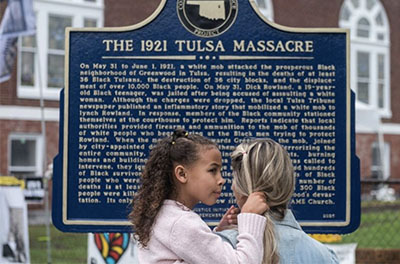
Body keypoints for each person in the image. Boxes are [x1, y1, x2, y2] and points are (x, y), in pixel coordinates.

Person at [130, 129, 269, 263]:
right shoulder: (182, 223)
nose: (221, 180)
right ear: (182, 174)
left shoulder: (167, 216)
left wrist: (217, 233)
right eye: (212, 170)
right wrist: (250, 216)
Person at [219, 138, 339, 264]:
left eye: (233, 179)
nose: (232, 186)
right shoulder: (324, 256)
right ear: (288, 183)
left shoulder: (223, 249)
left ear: (243, 188)